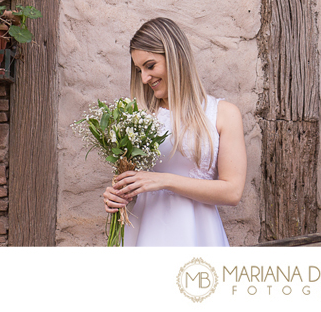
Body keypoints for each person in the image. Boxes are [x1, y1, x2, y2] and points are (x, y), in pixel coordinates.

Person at [102, 17, 247, 246]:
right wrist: (119, 195)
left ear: (176, 57)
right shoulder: (138, 116)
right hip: (145, 233)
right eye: (139, 70)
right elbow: (136, 182)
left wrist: (164, 181)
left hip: (198, 234)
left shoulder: (223, 113)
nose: (145, 78)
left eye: (150, 66)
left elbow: (232, 192)